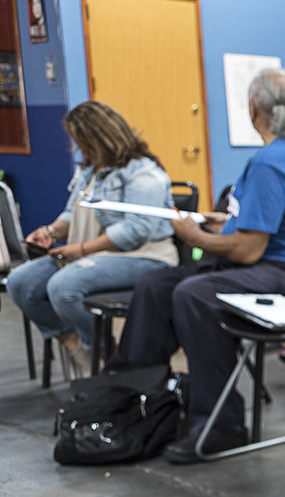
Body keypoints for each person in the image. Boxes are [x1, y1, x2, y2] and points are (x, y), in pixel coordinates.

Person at [113, 68, 285, 463]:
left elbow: (249, 250)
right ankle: (141, 401)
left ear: (254, 109)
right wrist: (226, 224)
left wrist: (195, 237)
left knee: (194, 295)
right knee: (155, 286)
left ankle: (221, 424)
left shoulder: (272, 160)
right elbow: (271, 221)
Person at [8, 101, 178, 376]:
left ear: (104, 138)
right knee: (20, 282)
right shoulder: (90, 170)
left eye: (84, 142)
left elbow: (135, 231)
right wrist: (50, 232)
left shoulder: (144, 172)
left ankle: (108, 357)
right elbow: (72, 213)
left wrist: (82, 249)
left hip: (144, 256)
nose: (80, 149)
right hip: (94, 255)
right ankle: (80, 348)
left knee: (64, 287)